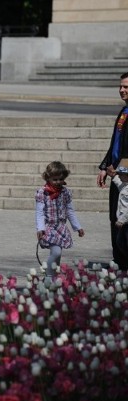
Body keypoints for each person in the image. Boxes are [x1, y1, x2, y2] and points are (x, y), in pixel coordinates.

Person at [97, 72, 128, 269]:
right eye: (121, 86)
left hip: (124, 175)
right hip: (115, 173)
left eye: (126, 87)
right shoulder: (124, 112)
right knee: (114, 217)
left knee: (125, 219)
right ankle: (119, 261)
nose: (122, 90)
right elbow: (115, 144)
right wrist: (104, 166)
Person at [36, 161, 85, 278]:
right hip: (49, 227)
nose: (58, 182)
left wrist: (77, 227)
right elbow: (39, 212)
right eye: (55, 179)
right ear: (48, 178)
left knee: (57, 254)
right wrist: (40, 228)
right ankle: (48, 276)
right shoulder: (42, 192)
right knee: (56, 252)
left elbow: (70, 211)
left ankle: (54, 275)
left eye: (60, 179)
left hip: (61, 227)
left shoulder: (65, 192)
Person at [112, 159, 128, 258]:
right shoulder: (125, 185)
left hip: (125, 221)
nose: (119, 176)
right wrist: (113, 176)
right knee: (120, 242)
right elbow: (119, 184)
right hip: (124, 222)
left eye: (120, 174)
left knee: (124, 242)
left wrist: (122, 220)